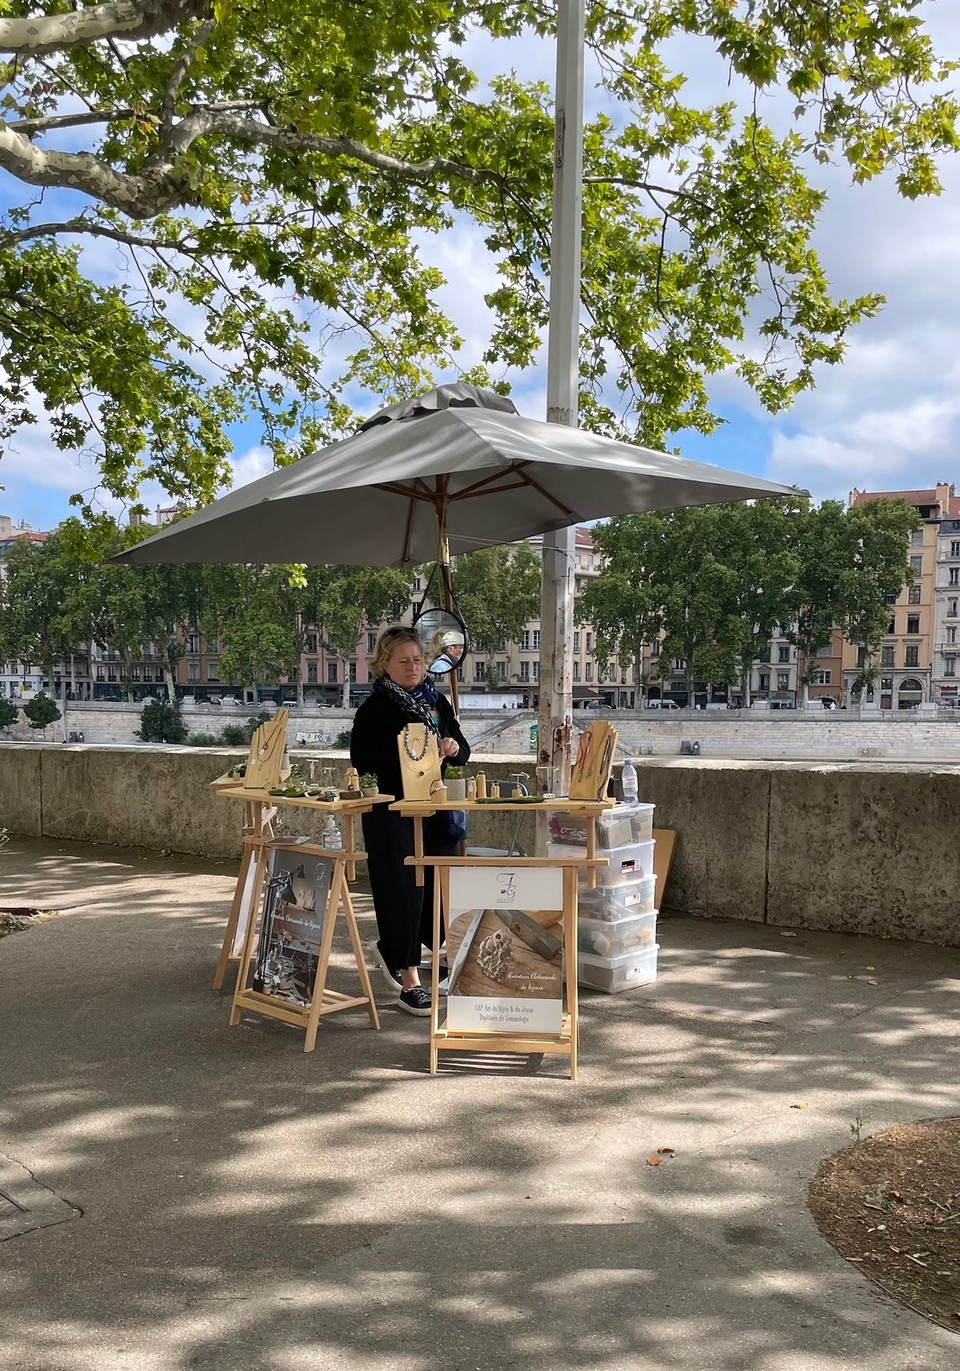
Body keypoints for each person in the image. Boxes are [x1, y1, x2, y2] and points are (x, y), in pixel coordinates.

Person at [350, 626, 470, 1016]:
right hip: (392, 813)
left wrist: (451, 746)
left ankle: (434, 954)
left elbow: (461, 749)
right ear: (384, 664)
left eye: (417, 660)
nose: (413, 667)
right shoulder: (374, 709)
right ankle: (408, 976)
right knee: (401, 888)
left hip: (435, 809)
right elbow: (362, 761)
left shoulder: (437, 702)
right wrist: (409, 752)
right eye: (403, 661)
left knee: (439, 883)